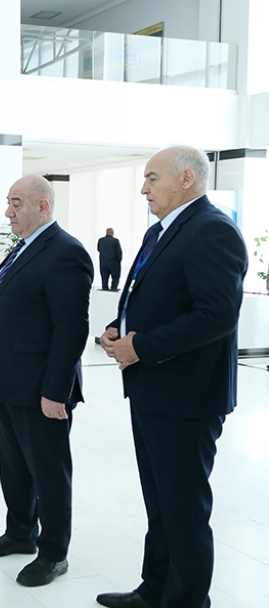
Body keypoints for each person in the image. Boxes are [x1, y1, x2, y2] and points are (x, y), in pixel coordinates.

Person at [98, 146, 247, 608]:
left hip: (187, 396)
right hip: (153, 389)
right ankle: (155, 590)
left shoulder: (212, 230)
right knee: (160, 503)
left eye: (152, 178)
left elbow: (216, 315)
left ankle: (187, 601)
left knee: (183, 509)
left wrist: (141, 346)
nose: (143, 188)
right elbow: (152, 295)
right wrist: (119, 327)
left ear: (186, 179)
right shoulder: (161, 231)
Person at [0, 175, 93, 588]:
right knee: (14, 466)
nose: (8, 212)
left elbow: (71, 329)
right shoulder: (24, 248)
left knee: (49, 473)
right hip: (9, 383)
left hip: (42, 388)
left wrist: (55, 391)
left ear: (43, 206)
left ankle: (54, 552)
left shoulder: (66, 252)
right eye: (9, 202)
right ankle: (20, 532)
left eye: (16, 202)